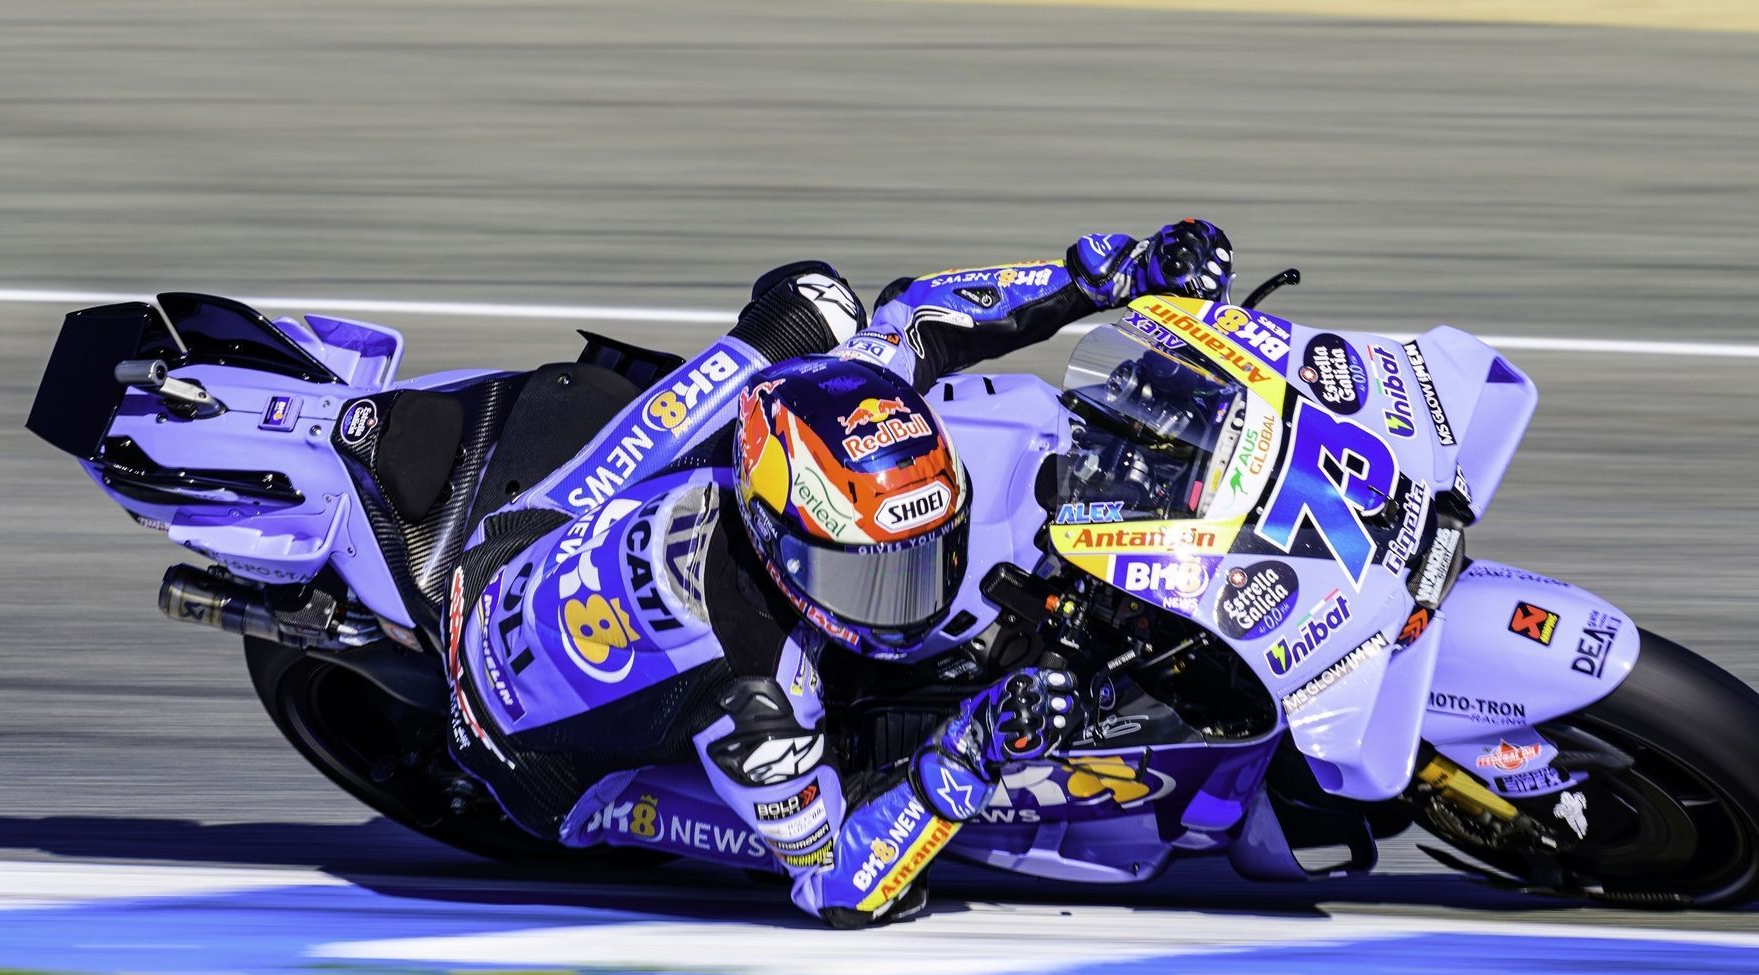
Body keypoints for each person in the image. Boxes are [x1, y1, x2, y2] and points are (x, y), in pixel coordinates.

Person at [445, 221, 1233, 926]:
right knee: (865, 786)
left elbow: (918, 315)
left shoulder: (814, 429)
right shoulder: (758, 700)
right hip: (532, 750)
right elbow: (836, 886)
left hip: (536, 531)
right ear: (779, 544)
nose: (911, 601)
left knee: (818, 302)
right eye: (871, 580)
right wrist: (977, 747)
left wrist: (1114, 274)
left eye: (922, 560)